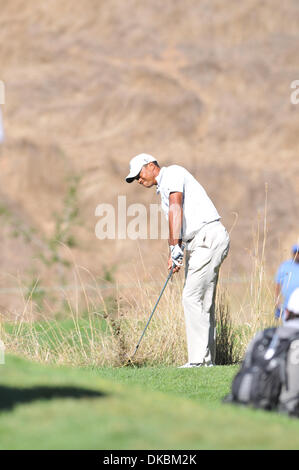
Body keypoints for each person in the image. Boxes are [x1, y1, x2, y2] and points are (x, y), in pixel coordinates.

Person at [126, 153, 230, 367]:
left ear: (151, 165)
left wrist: (174, 246)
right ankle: (206, 360)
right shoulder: (163, 185)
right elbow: (179, 219)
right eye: (134, 177)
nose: (138, 179)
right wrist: (176, 249)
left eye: (139, 174)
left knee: (191, 297)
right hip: (202, 240)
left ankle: (198, 361)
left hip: (207, 238)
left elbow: (176, 207)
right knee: (203, 301)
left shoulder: (172, 173)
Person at [275, 244, 299, 321]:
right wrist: (277, 300)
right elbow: (277, 283)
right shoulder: (285, 265)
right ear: (293, 253)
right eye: (296, 253)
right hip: (287, 305)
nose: (297, 255)